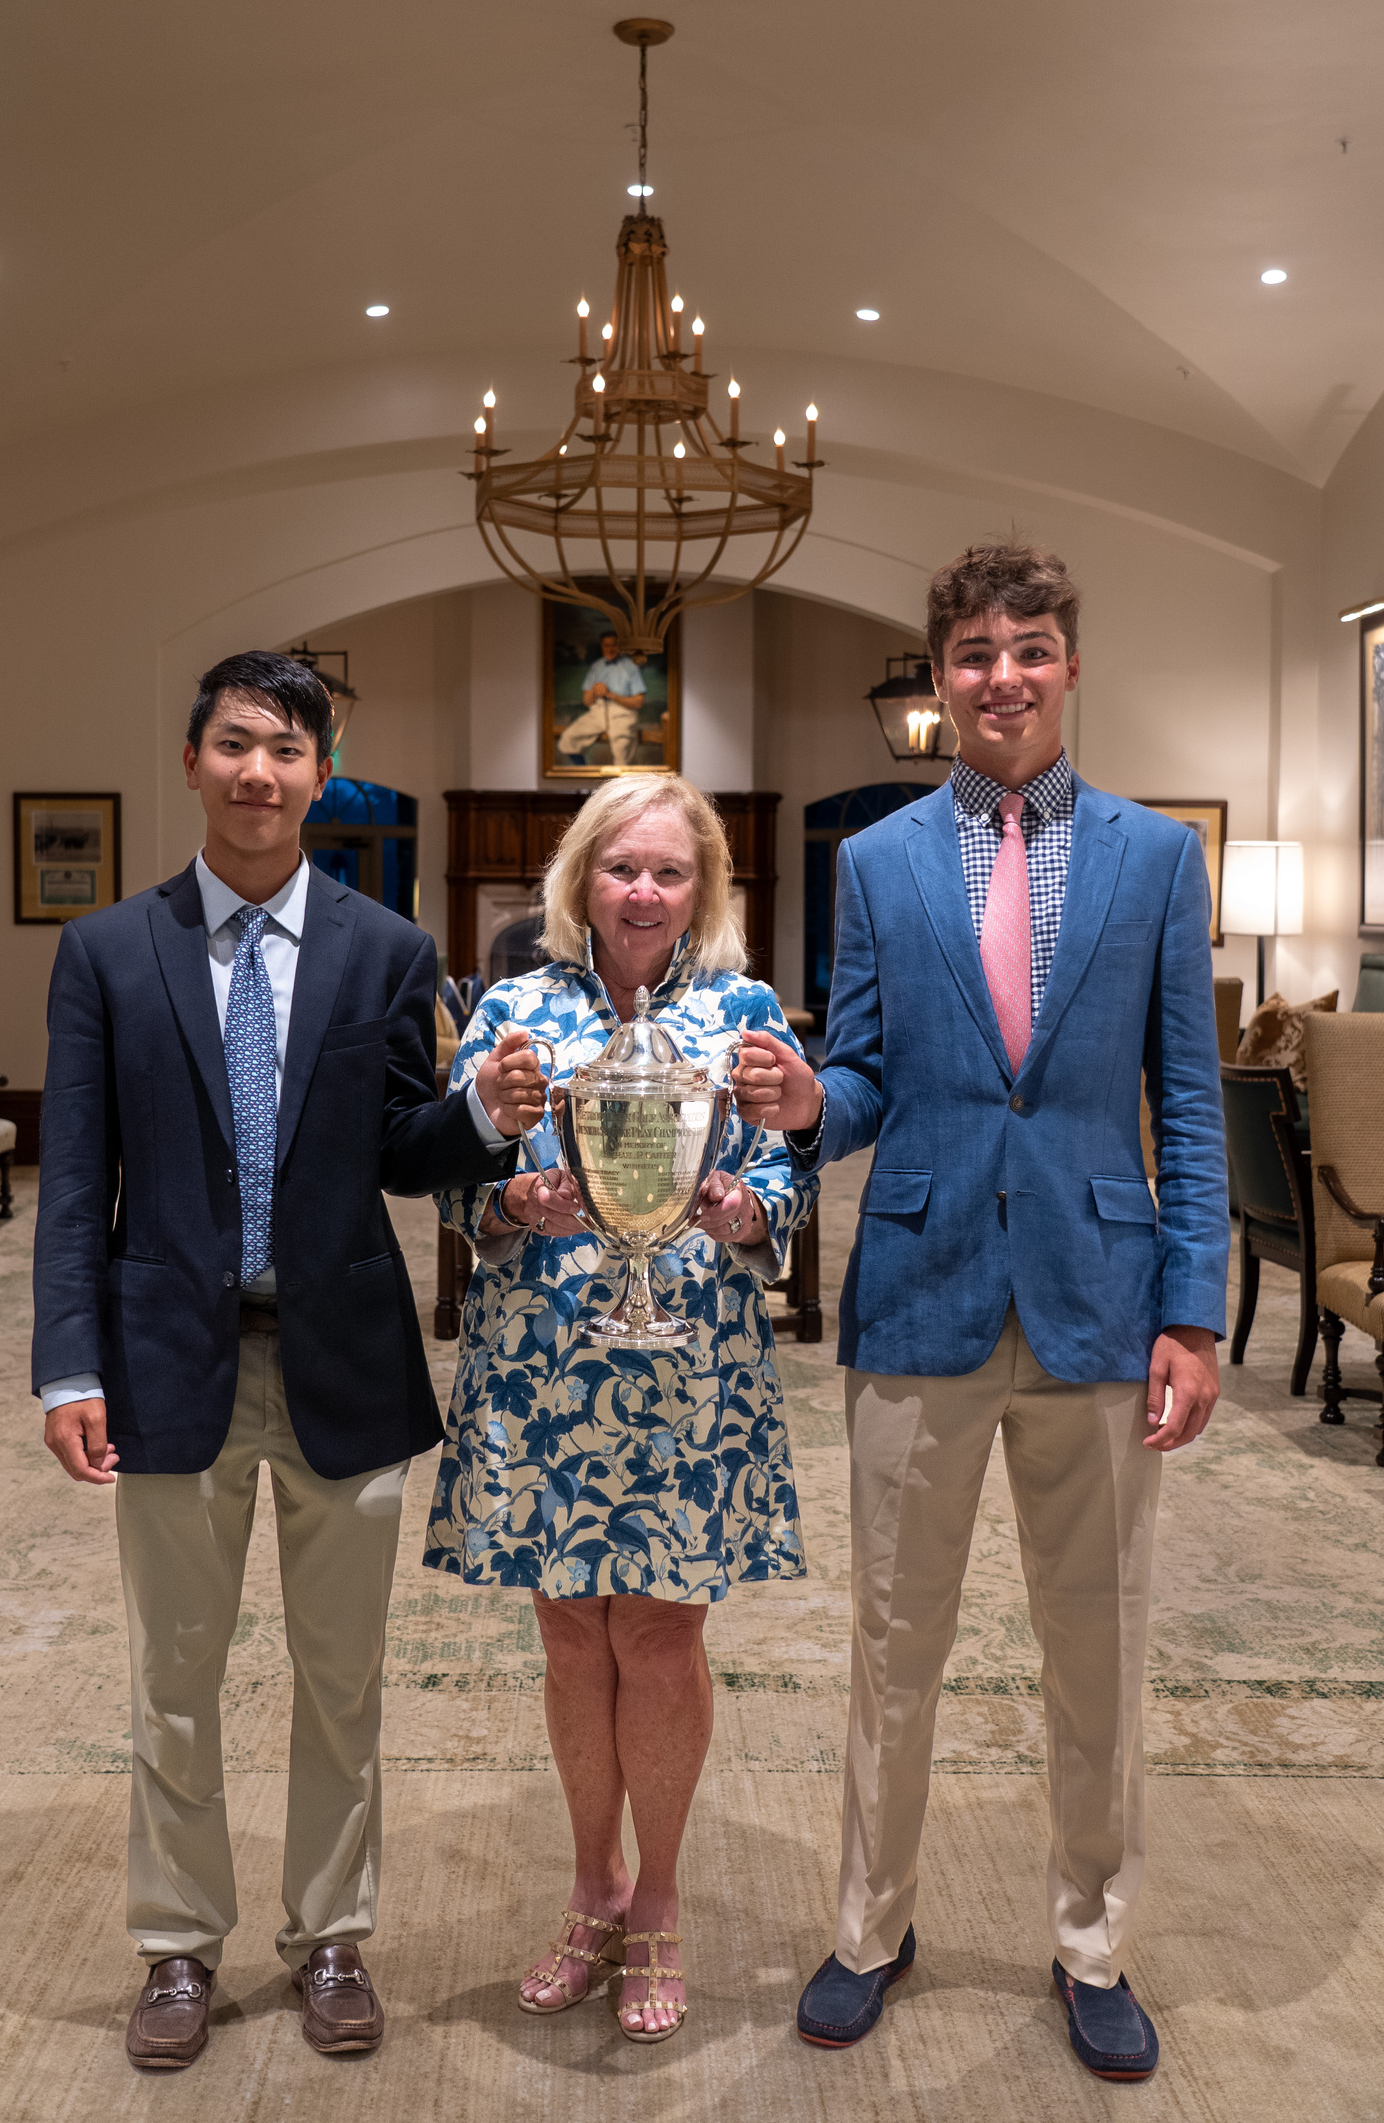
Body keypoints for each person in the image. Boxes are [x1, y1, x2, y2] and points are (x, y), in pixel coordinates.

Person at [736, 541, 1228, 2083]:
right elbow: (870, 1067)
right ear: (937, 678)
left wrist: (1195, 1312)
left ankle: (1095, 1940)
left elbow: (1191, 1101)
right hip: (922, 1289)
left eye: (1028, 648)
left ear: (1071, 663)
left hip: (1100, 1292)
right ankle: (872, 1926)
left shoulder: (1156, 858)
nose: (1000, 675)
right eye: (972, 653)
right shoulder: (876, 860)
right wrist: (819, 1098)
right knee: (896, 1637)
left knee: (1100, 1641)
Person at [32, 649, 545, 2073]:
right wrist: (68, 1366)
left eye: (290, 747)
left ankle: (332, 1935)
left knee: (342, 1675)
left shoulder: (384, 951)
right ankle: (177, 1947)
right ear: (192, 759)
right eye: (237, 743)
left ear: (322, 773)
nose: (262, 770)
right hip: (165, 1366)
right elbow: (76, 1177)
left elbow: (397, 1149)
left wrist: (484, 1119)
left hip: (343, 1365)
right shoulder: (108, 954)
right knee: (173, 1678)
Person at [424, 773, 816, 2044]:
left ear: (704, 887)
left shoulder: (745, 1014)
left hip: (689, 1368)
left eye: (668, 871)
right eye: (620, 867)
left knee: (655, 1638)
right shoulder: (513, 1009)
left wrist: (751, 1213)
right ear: (579, 878)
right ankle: (589, 1886)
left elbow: (785, 1177)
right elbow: (452, 1183)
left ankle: (657, 1899)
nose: (642, 892)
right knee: (569, 1637)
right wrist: (501, 1204)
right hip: (543, 1363)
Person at [555, 628, 646, 765]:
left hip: (623, 713)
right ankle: (583, 776)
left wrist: (611, 695)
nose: (610, 649)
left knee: (623, 754)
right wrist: (594, 691)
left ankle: (620, 785)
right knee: (568, 739)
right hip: (598, 711)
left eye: (613, 645)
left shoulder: (630, 666)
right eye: (606, 645)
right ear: (602, 647)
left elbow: (638, 702)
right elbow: (587, 701)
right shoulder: (596, 667)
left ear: (619, 646)